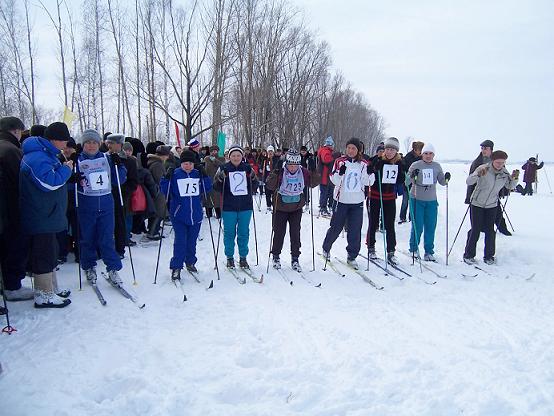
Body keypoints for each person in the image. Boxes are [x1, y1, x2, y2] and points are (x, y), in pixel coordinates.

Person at [19, 122, 73, 308]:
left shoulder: (46, 154)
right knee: (44, 254)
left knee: (50, 253)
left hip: (47, 214)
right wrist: (66, 169)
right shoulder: (37, 157)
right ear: (53, 140)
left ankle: (51, 288)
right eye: (63, 140)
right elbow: (49, 182)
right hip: (40, 215)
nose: (66, 144)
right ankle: (43, 294)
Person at [75, 129, 127, 287]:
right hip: (86, 204)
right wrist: (73, 177)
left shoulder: (107, 158)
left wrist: (119, 165)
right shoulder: (77, 160)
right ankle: (89, 266)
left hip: (106, 203)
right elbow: (69, 184)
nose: (91, 146)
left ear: (99, 144)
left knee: (106, 238)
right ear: (83, 144)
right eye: (88, 142)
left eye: (94, 142)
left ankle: (113, 269)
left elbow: (120, 179)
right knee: (87, 238)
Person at [321, 138, 374, 269]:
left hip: (357, 202)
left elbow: (369, 182)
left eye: (353, 148)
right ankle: (326, 248)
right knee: (336, 227)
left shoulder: (364, 164)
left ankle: (352, 256)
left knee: (355, 230)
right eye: (349, 148)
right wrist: (340, 173)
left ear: (358, 150)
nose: (350, 151)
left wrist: (369, 172)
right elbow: (333, 180)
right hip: (341, 200)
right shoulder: (339, 161)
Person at [464, 150, 518, 265]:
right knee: (475, 229)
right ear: (493, 161)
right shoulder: (484, 168)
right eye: (498, 162)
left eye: (502, 162)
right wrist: (477, 174)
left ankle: (489, 256)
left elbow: (510, 186)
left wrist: (514, 179)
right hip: (477, 203)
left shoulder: (504, 172)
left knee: (490, 231)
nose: (500, 165)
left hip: (492, 204)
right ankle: (468, 255)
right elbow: (469, 181)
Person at [0, 116, 33, 301]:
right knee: (14, 246)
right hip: (10, 209)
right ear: (16, 131)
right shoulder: (11, 150)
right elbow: (21, 182)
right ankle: (13, 285)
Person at [265, 149, 314, 271]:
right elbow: (269, 185)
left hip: (296, 207)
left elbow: (313, 183)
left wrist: (314, 170)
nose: (292, 168)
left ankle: (295, 258)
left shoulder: (303, 172)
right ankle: (276, 256)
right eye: (290, 165)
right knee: (279, 232)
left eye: (295, 165)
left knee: (295, 233)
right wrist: (275, 171)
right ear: (286, 163)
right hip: (280, 206)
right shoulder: (281, 171)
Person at [167, 150, 212, 280]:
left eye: (190, 163)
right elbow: (165, 190)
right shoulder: (175, 174)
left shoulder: (197, 174)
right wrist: (166, 178)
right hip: (179, 214)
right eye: (185, 163)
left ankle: (190, 262)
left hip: (196, 214)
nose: (188, 166)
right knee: (180, 241)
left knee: (192, 241)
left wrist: (204, 175)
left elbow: (207, 188)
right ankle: (176, 266)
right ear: (181, 163)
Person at [213, 144, 258, 269]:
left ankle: (243, 258)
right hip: (228, 207)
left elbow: (255, 186)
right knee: (229, 233)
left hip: (245, 206)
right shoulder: (223, 168)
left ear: (242, 156)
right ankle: (230, 258)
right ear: (229, 156)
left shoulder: (248, 168)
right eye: (233, 155)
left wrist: (253, 180)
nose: (236, 157)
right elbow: (215, 187)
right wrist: (220, 179)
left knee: (243, 233)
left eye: (238, 155)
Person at [407, 143, 450, 262]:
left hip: (431, 200)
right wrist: (412, 175)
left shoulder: (437, 166)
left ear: (433, 155)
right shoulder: (416, 165)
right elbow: (406, 182)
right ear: (422, 154)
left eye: (430, 154)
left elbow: (442, 181)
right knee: (418, 226)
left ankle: (429, 251)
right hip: (417, 199)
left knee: (431, 226)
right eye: (426, 153)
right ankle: (414, 249)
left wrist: (446, 178)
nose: (428, 156)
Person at [366, 137, 405, 265]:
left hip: (390, 197)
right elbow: (368, 170)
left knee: (389, 225)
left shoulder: (399, 163)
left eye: (392, 150)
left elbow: (400, 180)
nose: (389, 152)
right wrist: (374, 167)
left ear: (396, 151)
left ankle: (391, 251)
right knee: (373, 222)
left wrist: (402, 173)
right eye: (387, 149)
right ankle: (371, 248)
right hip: (376, 196)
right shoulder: (378, 160)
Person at [465, 140, 511, 236]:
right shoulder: (477, 162)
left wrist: (503, 191)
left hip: (494, 194)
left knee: (498, 213)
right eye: (482, 148)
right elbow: (471, 181)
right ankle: (477, 230)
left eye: (485, 148)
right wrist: (469, 196)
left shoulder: (498, 160)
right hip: (479, 195)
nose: (483, 150)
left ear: (491, 149)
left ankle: (502, 228)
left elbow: (502, 177)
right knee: (476, 218)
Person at [106, 134, 138, 257]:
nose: (110, 146)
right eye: (109, 143)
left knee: (119, 223)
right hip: (105, 195)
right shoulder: (103, 158)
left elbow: (133, 181)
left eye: (113, 143)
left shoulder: (129, 160)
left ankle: (120, 248)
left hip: (120, 195)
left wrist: (124, 192)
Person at [399, 141, 423, 224]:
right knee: (405, 201)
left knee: (413, 201)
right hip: (408, 181)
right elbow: (404, 168)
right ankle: (402, 217)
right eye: (420, 150)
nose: (421, 152)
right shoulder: (408, 157)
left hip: (417, 183)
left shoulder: (421, 158)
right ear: (415, 149)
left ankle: (411, 217)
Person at [204, 145, 224, 219]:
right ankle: (208, 213)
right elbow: (204, 168)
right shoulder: (206, 158)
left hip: (217, 180)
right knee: (208, 198)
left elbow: (222, 166)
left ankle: (218, 214)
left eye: (215, 151)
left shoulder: (221, 158)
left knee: (217, 198)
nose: (213, 152)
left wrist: (215, 160)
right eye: (212, 151)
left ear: (218, 151)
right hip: (208, 179)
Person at [317, 136, 335, 217]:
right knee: (324, 193)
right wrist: (334, 157)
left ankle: (327, 206)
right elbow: (325, 159)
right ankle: (322, 208)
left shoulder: (327, 151)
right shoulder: (325, 150)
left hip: (327, 176)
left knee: (329, 192)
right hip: (324, 176)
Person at [262, 145, 279, 212]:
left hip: (274, 179)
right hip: (267, 178)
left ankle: (275, 205)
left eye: (271, 151)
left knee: (274, 193)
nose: (270, 153)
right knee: (267, 193)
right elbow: (262, 168)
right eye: (269, 151)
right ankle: (268, 206)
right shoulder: (265, 160)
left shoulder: (276, 159)